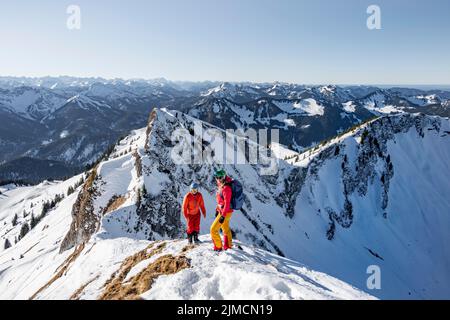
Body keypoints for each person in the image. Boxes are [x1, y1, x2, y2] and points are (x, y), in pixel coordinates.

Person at [210, 169, 233, 251]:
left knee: (213, 229)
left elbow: (227, 203)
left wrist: (222, 215)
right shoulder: (221, 186)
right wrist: (217, 209)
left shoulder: (226, 188)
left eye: (220, 177)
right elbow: (220, 200)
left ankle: (218, 247)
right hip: (224, 211)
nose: (218, 179)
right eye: (217, 177)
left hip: (225, 212)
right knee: (225, 228)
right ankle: (228, 246)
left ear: (224, 177)